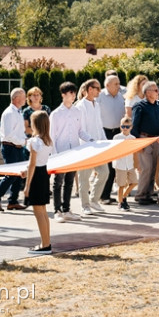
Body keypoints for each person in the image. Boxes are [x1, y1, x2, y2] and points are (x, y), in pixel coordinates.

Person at [49, 81, 90, 222]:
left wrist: (91, 140)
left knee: (70, 182)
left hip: (74, 153)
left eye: (74, 93)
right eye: (70, 93)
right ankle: (57, 211)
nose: (73, 96)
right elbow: (52, 136)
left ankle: (67, 209)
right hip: (60, 153)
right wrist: (54, 155)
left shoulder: (77, 111)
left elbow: (80, 131)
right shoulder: (55, 114)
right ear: (63, 95)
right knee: (58, 182)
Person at [0, 87, 29, 212]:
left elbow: (20, 132)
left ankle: (13, 201)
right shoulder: (9, 113)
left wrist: (25, 142)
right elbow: (8, 135)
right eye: (23, 97)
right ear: (16, 98)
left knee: (19, 174)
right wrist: (23, 141)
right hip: (9, 147)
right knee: (11, 175)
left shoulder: (18, 112)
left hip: (17, 147)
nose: (25, 99)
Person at [75, 79, 108, 215]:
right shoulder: (80, 106)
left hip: (98, 146)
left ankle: (94, 200)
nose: (99, 91)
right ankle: (85, 205)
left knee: (104, 172)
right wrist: (90, 141)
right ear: (89, 89)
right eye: (97, 88)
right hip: (85, 148)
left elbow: (99, 126)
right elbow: (80, 129)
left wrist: (105, 142)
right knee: (84, 178)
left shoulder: (97, 104)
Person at [23, 110, 54, 254]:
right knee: (43, 211)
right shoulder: (47, 140)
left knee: (38, 212)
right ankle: (46, 242)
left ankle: (45, 245)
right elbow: (37, 163)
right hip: (44, 174)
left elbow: (32, 164)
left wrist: (27, 185)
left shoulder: (34, 141)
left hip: (36, 176)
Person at [131, 80, 159, 205]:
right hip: (144, 139)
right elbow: (134, 126)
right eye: (155, 90)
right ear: (147, 92)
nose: (158, 92)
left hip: (156, 139)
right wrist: (138, 143)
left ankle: (148, 194)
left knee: (153, 168)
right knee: (146, 168)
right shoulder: (139, 106)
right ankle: (140, 195)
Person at [97, 74, 126, 204]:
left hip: (117, 133)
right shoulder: (100, 97)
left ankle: (106, 195)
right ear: (107, 85)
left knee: (114, 166)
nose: (118, 86)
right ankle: (101, 195)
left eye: (119, 83)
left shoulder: (121, 97)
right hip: (104, 133)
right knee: (106, 166)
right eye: (115, 84)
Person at [112, 117, 143, 210]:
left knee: (134, 182)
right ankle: (121, 202)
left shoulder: (133, 138)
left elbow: (135, 153)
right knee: (121, 185)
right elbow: (113, 151)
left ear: (131, 127)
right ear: (120, 127)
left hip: (130, 164)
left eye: (127, 126)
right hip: (120, 164)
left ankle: (124, 197)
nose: (125, 128)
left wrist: (137, 165)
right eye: (123, 126)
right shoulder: (116, 137)